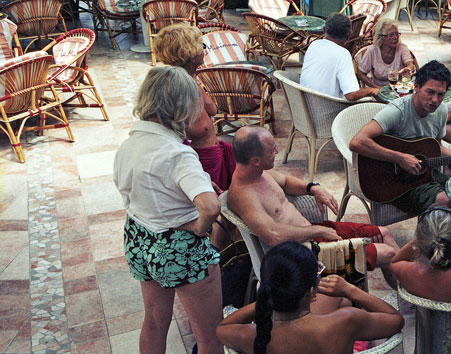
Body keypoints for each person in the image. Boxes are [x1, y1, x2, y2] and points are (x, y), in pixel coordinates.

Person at [113, 66, 223, 354]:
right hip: (179, 244)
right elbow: (210, 207)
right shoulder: (178, 153)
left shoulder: (128, 145)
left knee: (154, 322)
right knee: (211, 335)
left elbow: (133, 190)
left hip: (140, 237)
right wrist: (199, 227)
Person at [226, 126, 399, 288]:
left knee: (383, 233)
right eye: (272, 151)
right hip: (305, 253)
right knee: (388, 254)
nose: (277, 152)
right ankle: (411, 289)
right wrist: (318, 232)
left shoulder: (261, 173)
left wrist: (313, 188)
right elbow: (273, 236)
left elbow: (286, 182)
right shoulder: (243, 195)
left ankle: (408, 288)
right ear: (255, 161)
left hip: (314, 234)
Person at [216, 242, 404, 354]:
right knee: (343, 301)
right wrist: (351, 291)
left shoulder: (251, 335)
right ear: (309, 293)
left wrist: (268, 297)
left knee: (339, 302)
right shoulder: (347, 320)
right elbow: (396, 320)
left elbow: (222, 329)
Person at [349, 60, 451, 219]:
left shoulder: (441, 111)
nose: (435, 100)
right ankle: (431, 235)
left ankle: (434, 235)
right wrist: (400, 158)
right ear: (416, 87)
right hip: (395, 183)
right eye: (430, 92)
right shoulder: (398, 111)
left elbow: (434, 149)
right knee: (445, 201)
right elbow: (357, 142)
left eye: (440, 94)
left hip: (425, 174)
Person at [153, 23, 236, 248]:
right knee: (213, 207)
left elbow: (211, 109)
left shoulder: (189, 78)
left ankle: (220, 249)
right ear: (188, 53)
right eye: (201, 46)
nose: (204, 50)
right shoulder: (172, 85)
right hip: (198, 158)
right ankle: (212, 254)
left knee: (227, 206)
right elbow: (172, 125)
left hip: (210, 152)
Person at [301, 12, 378, 100]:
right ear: (349, 35)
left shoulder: (314, 45)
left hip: (305, 103)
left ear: (324, 30)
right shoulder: (343, 54)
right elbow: (351, 95)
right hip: (327, 108)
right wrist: (371, 90)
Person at [357, 18, 418, 88]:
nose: (395, 37)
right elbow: (361, 73)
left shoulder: (402, 48)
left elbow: (410, 65)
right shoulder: (372, 50)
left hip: (400, 89)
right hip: (379, 91)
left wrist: (408, 69)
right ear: (381, 37)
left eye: (397, 34)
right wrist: (375, 87)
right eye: (391, 35)